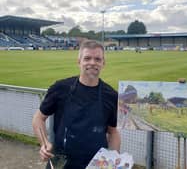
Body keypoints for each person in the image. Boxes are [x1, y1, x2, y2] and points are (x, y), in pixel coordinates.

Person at [32, 40, 121, 169]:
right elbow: (38, 118)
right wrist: (44, 143)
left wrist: (113, 160)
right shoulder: (60, 88)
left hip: (96, 165)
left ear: (103, 63)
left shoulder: (111, 95)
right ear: (79, 62)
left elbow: (113, 132)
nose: (92, 62)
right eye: (87, 58)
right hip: (60, 163)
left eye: (97, 59)